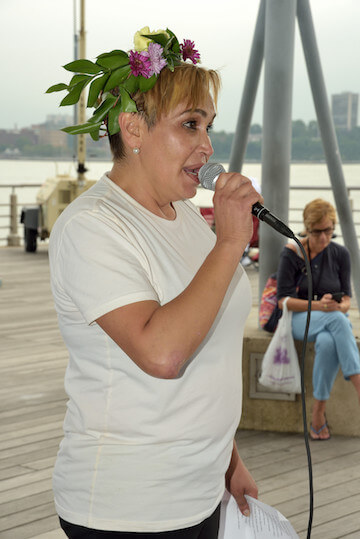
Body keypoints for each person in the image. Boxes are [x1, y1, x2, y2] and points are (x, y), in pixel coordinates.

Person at [48, 27, 260, 538]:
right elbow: (162, 354)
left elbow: (204, 347)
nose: (207, 146)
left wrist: (228, 465)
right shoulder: (92, 226)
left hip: (200, 492)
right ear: (133, 129)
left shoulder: (185, 218)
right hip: (129, 508)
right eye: (189, 124)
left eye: (208, 125)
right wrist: (231, 243)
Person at [276, 198, 360, 441]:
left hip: (328, 320)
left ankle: (317, 416)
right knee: (336, 319)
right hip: (297, 320)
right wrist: (320, 306)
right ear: (307, 228)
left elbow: (346, 300)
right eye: (317, 231)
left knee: (328, 342)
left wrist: (335, 305)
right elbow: (283, 300)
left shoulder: (340, 254)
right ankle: (357, 382)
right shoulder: (292, 254)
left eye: (328, 231)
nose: (323, 237)